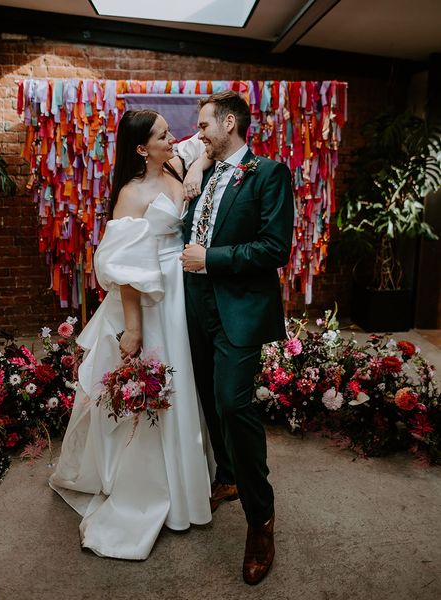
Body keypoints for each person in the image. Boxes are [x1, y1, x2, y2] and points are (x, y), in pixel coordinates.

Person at [49, 109, 212, 560]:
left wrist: (196, 165)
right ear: (142, 148)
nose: (173, 138)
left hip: (181, 292)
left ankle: (188, 480)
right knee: (161, 386)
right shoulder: (130, 194)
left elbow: (201, 146)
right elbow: (124, 271)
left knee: (185, 384)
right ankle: (150, 493)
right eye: (163, 135)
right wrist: (134, 329)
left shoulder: (176, 162)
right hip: (151, 299)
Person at [180, 91, 294, 585]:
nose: (198, 133)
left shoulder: (268, 173)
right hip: (194, 303)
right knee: (206, 395)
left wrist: (213, 260)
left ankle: (261, 519)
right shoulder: (205, 167)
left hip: (239, 307)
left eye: (204, 125)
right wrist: (198, 164)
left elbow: (274, 247)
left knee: (232, 402)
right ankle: (227, 475)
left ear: (231, 122)